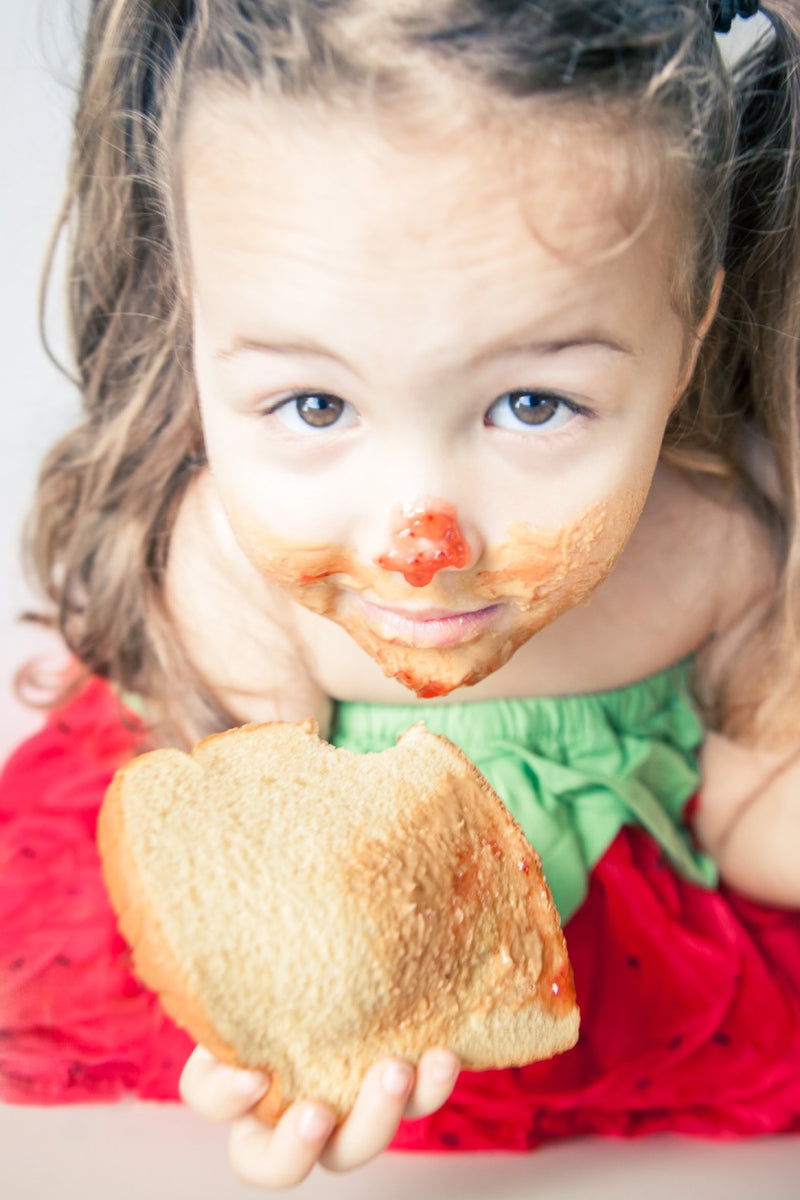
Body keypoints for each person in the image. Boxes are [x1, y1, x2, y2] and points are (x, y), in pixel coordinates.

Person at [2, 0, 800, 1189]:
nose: (418, 540)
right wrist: (287, 1029)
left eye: (533, 404)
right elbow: (262, 875)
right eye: (314, 406)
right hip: (365, 954)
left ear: (685, 342)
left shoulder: (710, 552)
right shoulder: (228, 560)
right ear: (197, 338)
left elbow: (743, 814)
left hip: (631, 989)